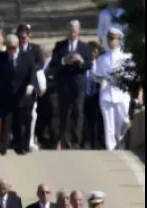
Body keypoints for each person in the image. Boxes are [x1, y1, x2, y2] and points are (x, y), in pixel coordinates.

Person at [0, 34, 37, 155]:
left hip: (22, 94)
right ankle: (4, 145)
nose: (11, 50)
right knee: (6, 121)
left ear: (18, 46)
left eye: (13, 47)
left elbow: (32, 73)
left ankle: (21, 145)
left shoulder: (27, 57)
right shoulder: (0, 58)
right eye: (9, 48)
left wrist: (31, 85)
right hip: (6, 95)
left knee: (21, 121)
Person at [49, 20, 92, 150]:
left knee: (78, 111)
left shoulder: (84, 47)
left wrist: (81, 61)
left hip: (78, 84)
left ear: (78, 31)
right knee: (64, 112)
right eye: (71, 29)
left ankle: (76, 140)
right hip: (64, 84)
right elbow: (53, 64)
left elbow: (89, 64)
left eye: (75, 30)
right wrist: (63, 61)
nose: (73, 32)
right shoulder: (60, 45)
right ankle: (64, 139)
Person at [92, 28, 134, 151]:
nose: (111, 41)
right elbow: (96, 76)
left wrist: (122, 76)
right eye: (109, 38)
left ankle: (120, 140)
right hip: (106, 95)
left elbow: (132, 76)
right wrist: (104, 77)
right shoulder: (102, 58)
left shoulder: (127, 57)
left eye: (113, 39)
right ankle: (110, 148)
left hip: (121, 95)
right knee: (108, 125)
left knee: (123, 121)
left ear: (119, 40)